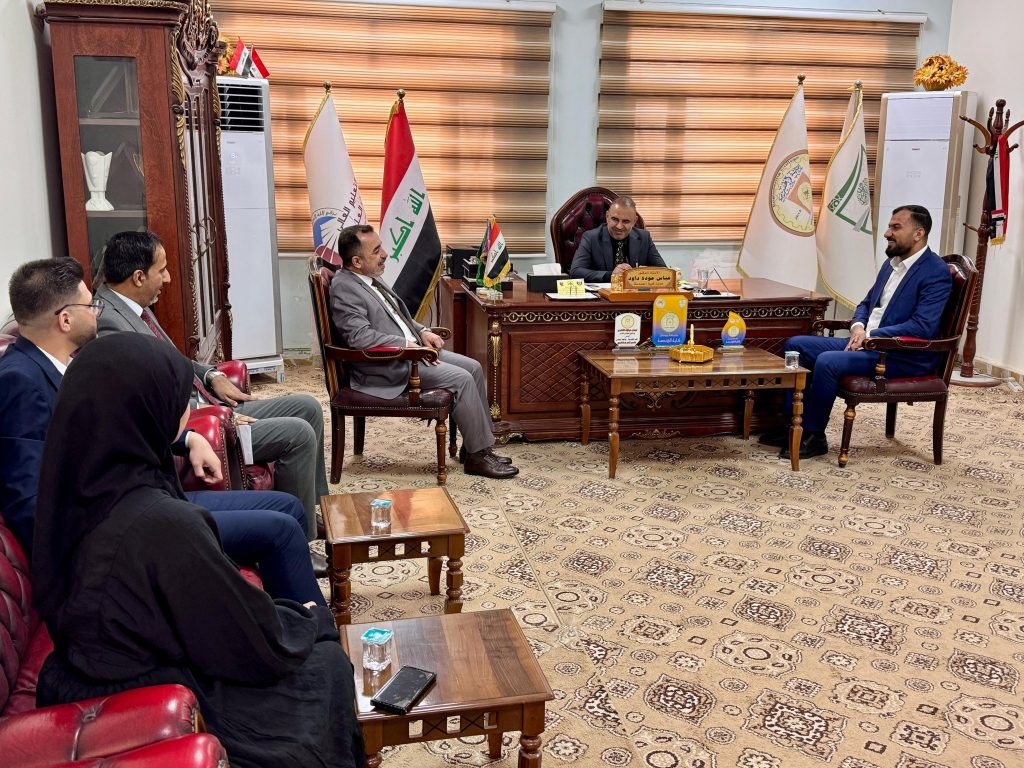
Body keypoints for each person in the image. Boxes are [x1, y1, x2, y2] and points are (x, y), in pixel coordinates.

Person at [32, 333, 366, 768]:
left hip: (89, 667)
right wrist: (306, 618)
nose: (186, 410)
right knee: (327, 665)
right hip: (141, 686)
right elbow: (240, 638)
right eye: (177, 399)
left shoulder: (77, 483)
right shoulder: (161, 523)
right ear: (148, 411)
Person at [0, 258, 325, 600]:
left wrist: (188, 437)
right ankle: (309, 627)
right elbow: (31, 504)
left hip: (149, 498)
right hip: (121, 528)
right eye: (90, 306)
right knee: (282, 530)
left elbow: (123, 422)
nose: (97, 312)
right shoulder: (19, 382)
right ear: (65, 319)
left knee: (290, 507)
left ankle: (286, 612)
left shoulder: (65, 363)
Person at [95, 231, 328, 540]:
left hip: (210, 404)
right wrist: (217, 414)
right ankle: (303, 538)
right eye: (161, 270)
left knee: (308, 407)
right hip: (200, 425)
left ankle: (312, 510)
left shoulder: (135, 306)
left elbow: (175, 362)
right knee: (298, 434)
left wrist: (211, 376)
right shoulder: (109, 324)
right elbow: (145, 400)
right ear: (138, 277)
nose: (167, 278)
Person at [761, 205, 953, 460]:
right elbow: (865, 304)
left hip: (901, 355)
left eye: (896, 227)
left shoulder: (935, 272)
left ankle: (814, 436)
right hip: (868, 344)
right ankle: (793, 424)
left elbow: (922, 326)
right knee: (795, 346)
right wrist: (858, 327)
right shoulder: (891, 264)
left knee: (828, 361)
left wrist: (873, 335)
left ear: (918, 234)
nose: (887, 233)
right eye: (889, 226)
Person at [331, 224, 518, 479]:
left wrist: (422, 331)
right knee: (462, 379)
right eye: (376, 251)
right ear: (356, 261)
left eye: (381, 247)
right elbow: (360, 337)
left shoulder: (369, 277)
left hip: (412, 353)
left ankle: (476, 448)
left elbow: (397, 317)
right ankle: (478, 457)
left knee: (474, 368)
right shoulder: (344, 287)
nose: (384, 254)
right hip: (389, 365)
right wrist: (407, 345)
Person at [569, 196, 666, 282]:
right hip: (602, 295)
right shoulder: (591, 237)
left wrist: (639, 274)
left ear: (634, 221)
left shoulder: (644, 237)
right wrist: (611, 275)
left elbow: (664, 272)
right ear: (607, 216)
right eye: (615, 219)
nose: (619, 226)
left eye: (626, 221)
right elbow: (575, 272)